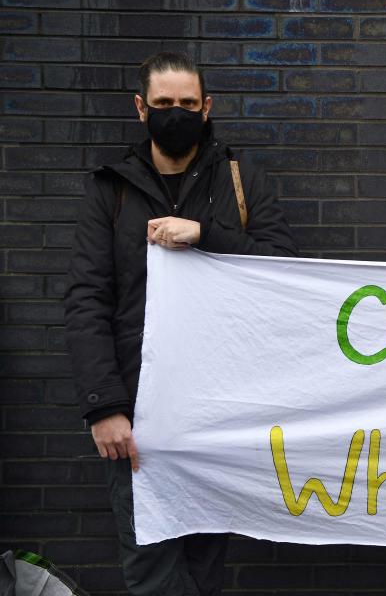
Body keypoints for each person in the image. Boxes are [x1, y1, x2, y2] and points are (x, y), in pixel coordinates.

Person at [64, 52, 297, 595]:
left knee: (204, 561)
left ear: (207, 106)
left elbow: (283, 269)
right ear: (141, 108)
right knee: (151, 564)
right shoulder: (110, 190)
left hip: (217, 407)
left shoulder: (241, 181)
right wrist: (104, 407)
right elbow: (86, 300)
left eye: (188, 104)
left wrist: (206, 235)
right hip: (139, 412)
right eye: (164, 104)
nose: (177, 114)